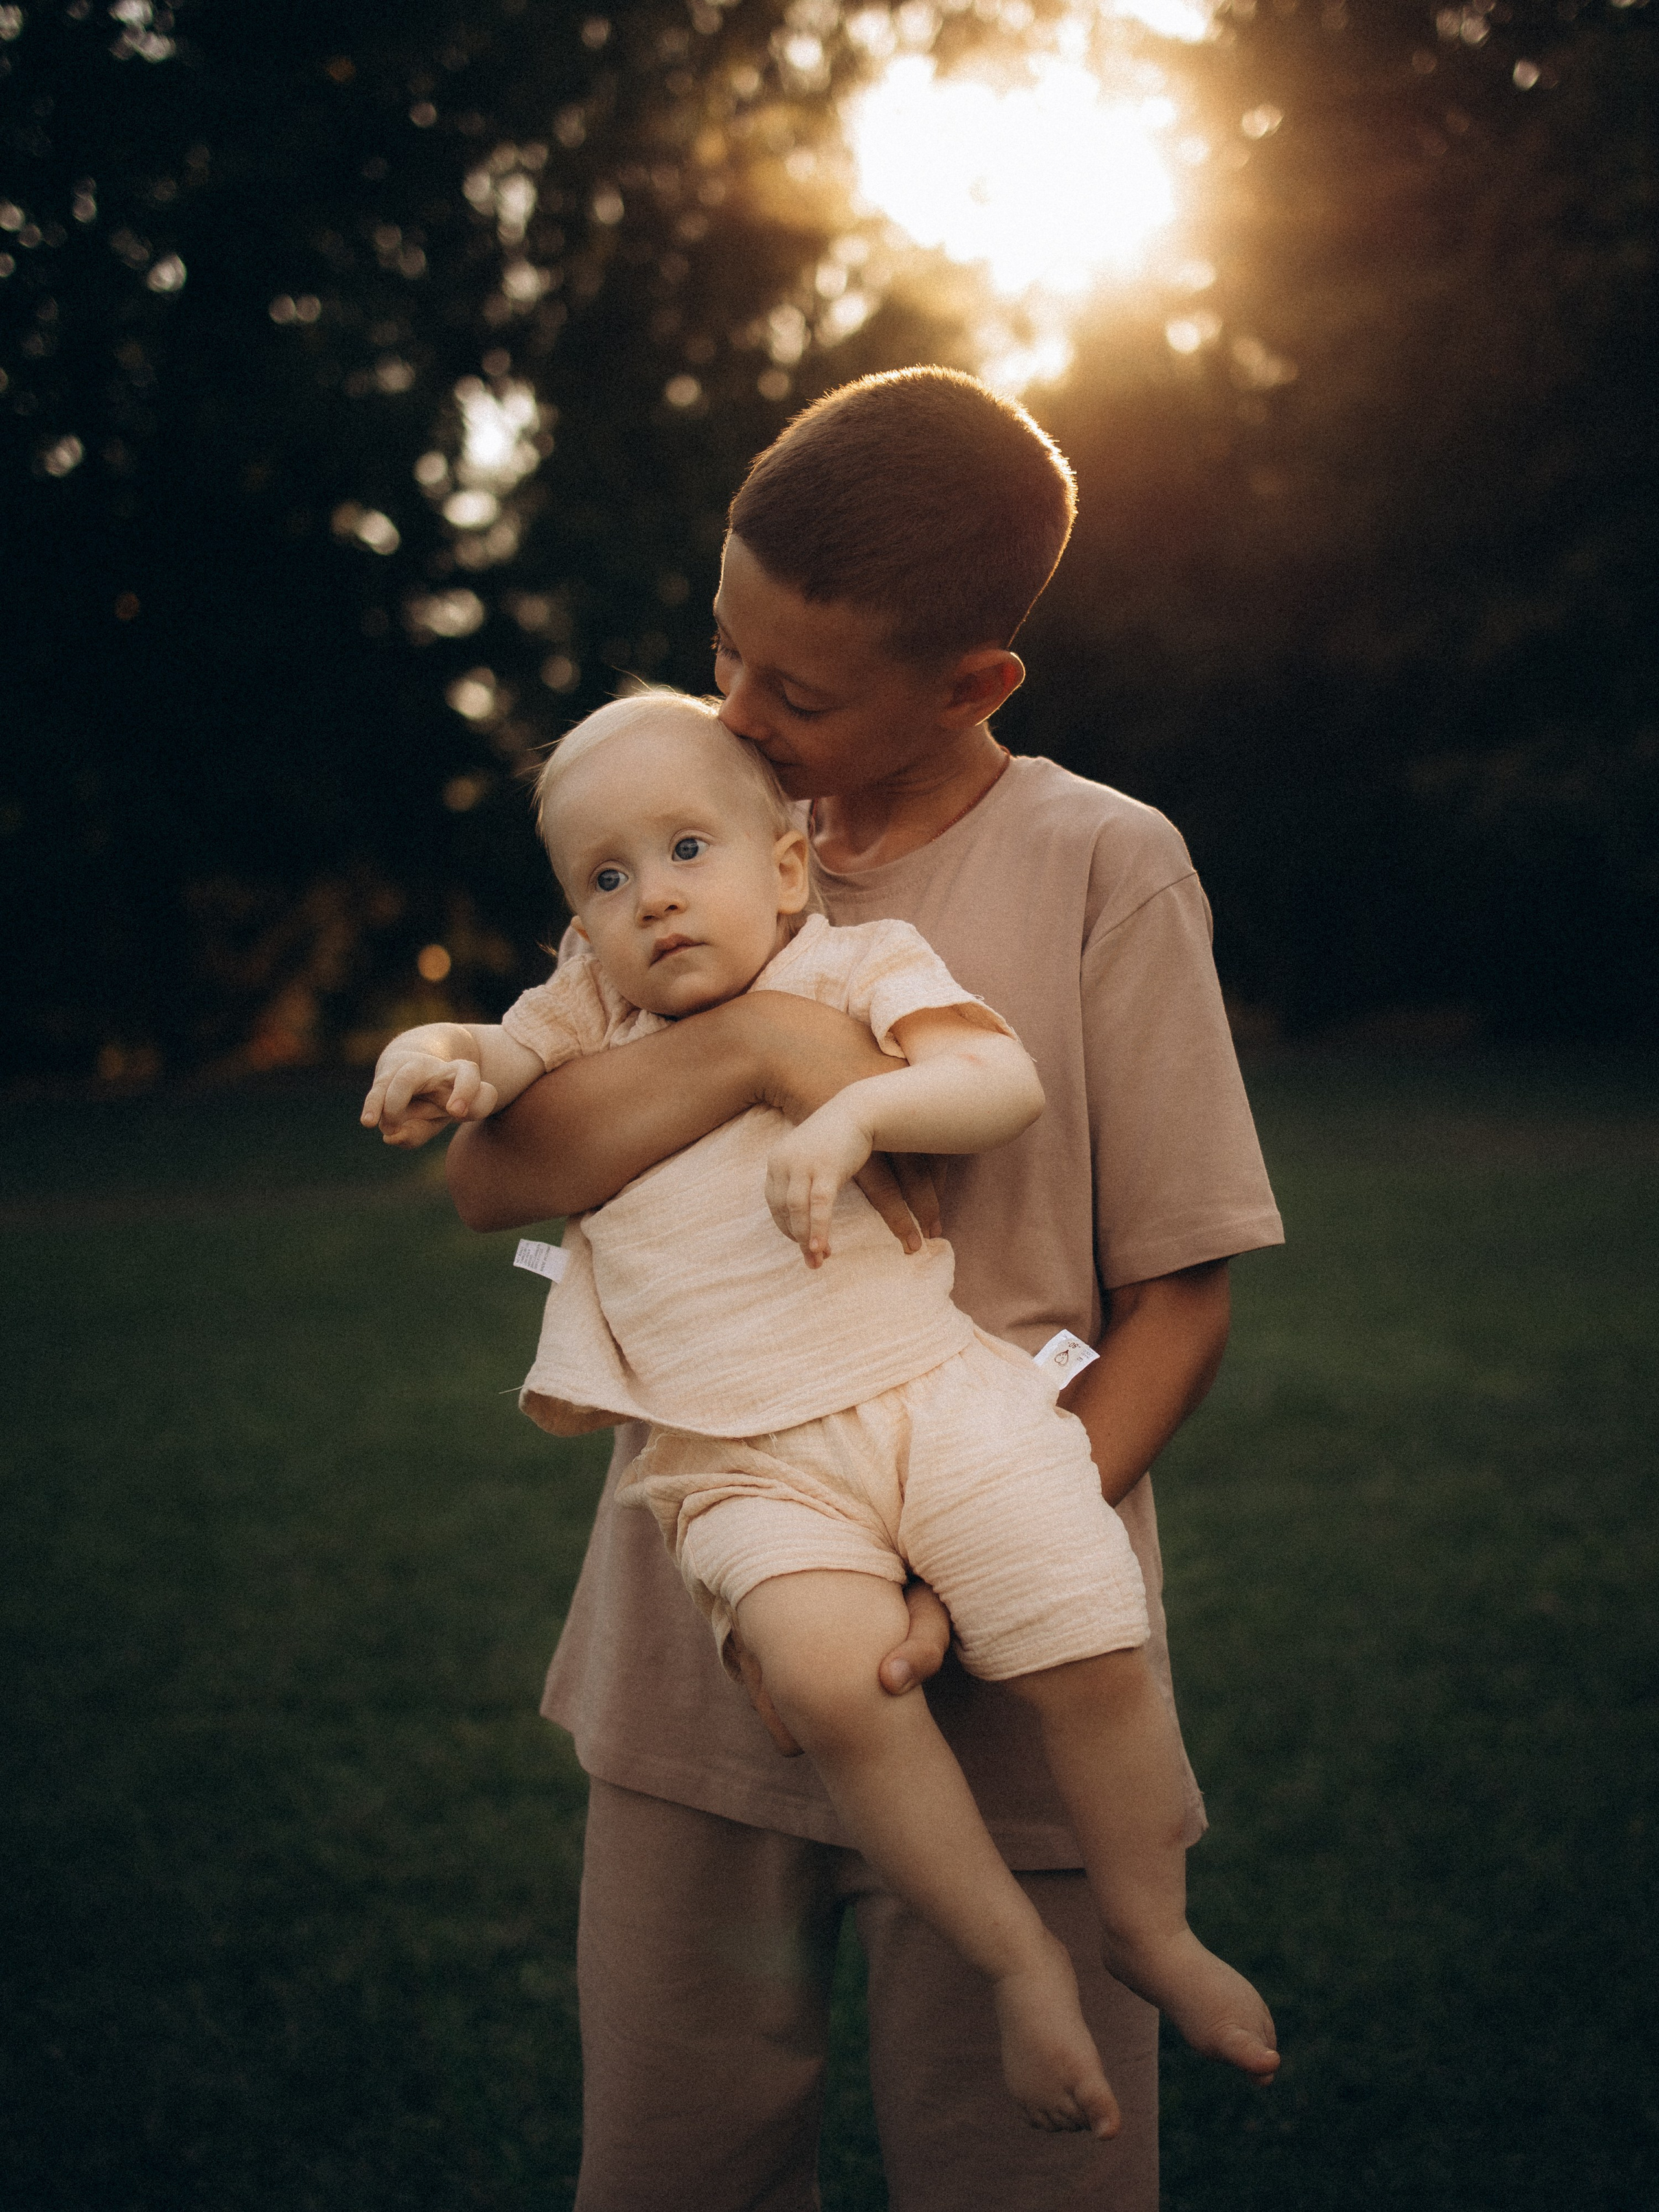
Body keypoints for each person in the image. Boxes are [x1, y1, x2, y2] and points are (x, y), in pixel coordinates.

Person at [441, 368, 1285, 2211]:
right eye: (721, 650)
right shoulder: (690, 838)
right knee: (673, 2168)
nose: (733, 714)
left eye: (794, 693)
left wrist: (946, 1580)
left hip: (1010, 1638)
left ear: (975, 680)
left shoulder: (1101, 866)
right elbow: (498, 1174)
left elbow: (1181, 1300)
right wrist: (757, 1046)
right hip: (703, 1647)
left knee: (1027, 2175)